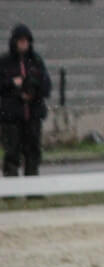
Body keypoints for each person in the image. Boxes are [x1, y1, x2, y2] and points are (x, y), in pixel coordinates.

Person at [0, 24, 51, 177]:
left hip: (33, 115)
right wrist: (13, 85)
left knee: (33, 152)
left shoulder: (36, 61)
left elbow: (46, 85)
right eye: (20, 41)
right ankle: (12, 184)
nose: (23, 44)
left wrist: (33, 92)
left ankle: (32, 183)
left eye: (26, 41)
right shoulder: (5, 62)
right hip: (11, 117)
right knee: (12, 153)